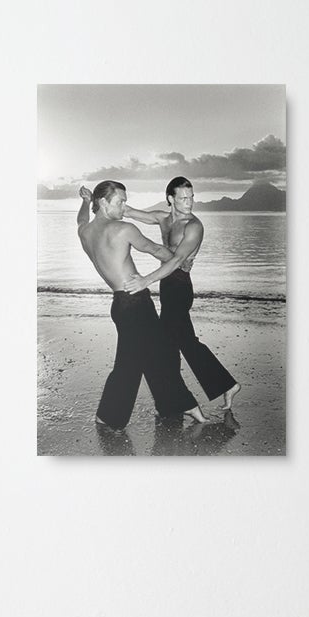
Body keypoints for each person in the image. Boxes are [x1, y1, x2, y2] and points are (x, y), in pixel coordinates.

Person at [76, 181, 209, 429]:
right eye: (120, 202)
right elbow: (156, 249)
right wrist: (180, 262)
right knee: (150, 357)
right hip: (137, 303)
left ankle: (116, 414)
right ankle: (184, 405)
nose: (125, 206)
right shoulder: (123, 229)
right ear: (104, 202)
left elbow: (81, 221)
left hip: (119, 304)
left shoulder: (85, 232)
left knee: (138, 359)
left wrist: (85, 203)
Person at [124, 177, 241, 409]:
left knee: (180, 342)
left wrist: (146, 280)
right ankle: (179, 396)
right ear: (171, 199)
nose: (190, 202)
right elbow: (128, 211)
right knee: (173, 343)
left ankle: (186, 395)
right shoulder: (162, 219)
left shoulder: (193, 226)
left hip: (180, 287)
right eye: (184, 198)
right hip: (167, 286)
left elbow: (178, 260)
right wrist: (93, 202)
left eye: (192, 197)